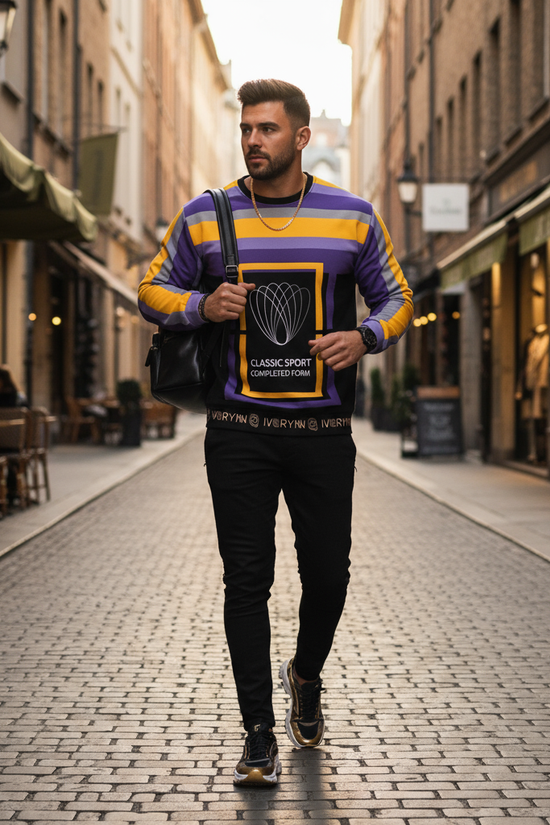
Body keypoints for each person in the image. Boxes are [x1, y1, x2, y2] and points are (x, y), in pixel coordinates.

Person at [138, 79, 414, 787]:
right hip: (238, 430)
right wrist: (202, 303)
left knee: (329, 575)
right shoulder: (207, 215)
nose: (252, 140)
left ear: (300, 137)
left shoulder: (352, 217)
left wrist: (365, 335)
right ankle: (257, 732)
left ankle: (306, 672)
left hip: (322, 429)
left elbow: (397, 296)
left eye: (266, 129)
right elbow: (150, 290)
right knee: (246, 580)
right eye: (246, 129)